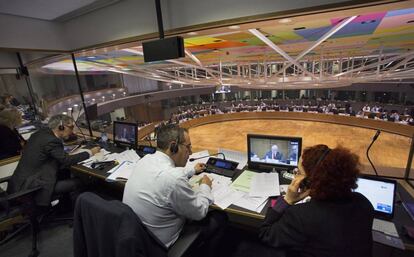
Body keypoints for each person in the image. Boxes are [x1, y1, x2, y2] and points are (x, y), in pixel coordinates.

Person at [123, 124, 227, 257]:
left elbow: (165, 173)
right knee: (219, 218)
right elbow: (199, 211)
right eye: (188, 146)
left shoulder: (146, 160)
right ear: (173, 146)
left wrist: (192, 170)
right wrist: (205, 186)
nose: (190, 151)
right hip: (160, 247)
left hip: (139, 241)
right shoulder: (174, 179)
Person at [258, 145, 374, 257]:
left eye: (298, 172)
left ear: (310, 181)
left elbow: (266, 233)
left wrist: (287, 200)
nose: (295, 176)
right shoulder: (364, 203)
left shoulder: (301, 216)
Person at [8, 114, 100, 207]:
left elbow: (54, 155)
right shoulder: (51, 141)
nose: (73, 131)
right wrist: (90, 152)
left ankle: (65, 207)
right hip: (33, 186)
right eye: (71, 127)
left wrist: (65, 156)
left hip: (20, 182)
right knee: (83, 181)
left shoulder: (40, 134)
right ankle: (80, 211)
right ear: (61, 127)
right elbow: (66, 160)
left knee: (66, 172)